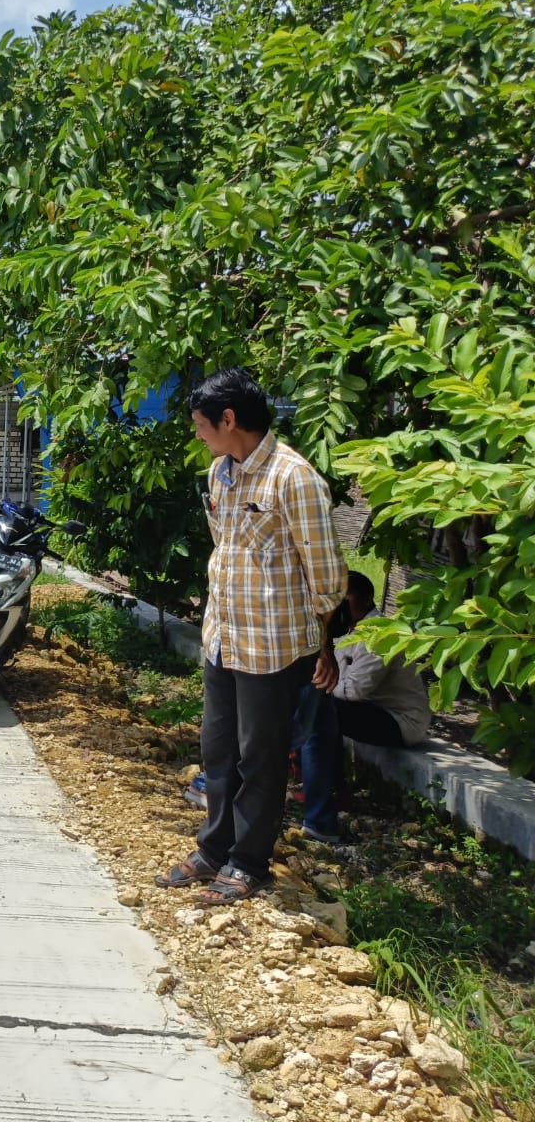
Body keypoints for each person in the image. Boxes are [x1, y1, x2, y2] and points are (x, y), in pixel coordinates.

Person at [155, 368, 346, 905]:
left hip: (272, 646)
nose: (198, 434)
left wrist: (323, 644)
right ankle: (213, 849)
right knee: (218, 751)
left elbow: (327, 576)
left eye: (201, 425)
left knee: (259, 758)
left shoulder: (293, 478)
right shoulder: (220, 473)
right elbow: (226, 547)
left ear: (229, 419)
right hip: (223, 639)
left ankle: (248, 862)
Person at [295, 571, 431, 842]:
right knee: (314, 705)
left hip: (400, 720)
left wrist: (320, 686)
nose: (341, 609)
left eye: (346, 601)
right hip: (370, 709)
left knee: (321, 710)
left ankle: (327, 794)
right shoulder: (347, 628)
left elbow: (355, 690)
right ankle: (326, 788)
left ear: (367, 599)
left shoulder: (378, 634)